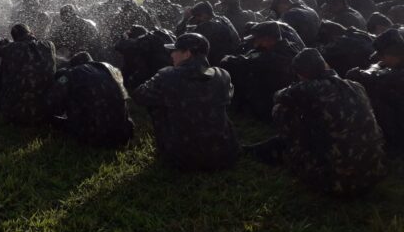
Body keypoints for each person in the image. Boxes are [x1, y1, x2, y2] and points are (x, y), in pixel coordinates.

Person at [246, 49, 386, 196]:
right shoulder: (356, 86)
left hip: (338, 182)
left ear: (302, 73)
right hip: (373, 173)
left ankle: (288, 152)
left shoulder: (309, 87)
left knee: (281, 109)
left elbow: (278, 96)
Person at [132, 33, 239, 171]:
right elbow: (227, 98)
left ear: (187, 54)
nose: (171, 55)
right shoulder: (223, 74)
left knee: (156, 103)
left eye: (175, 51)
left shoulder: (166, 75)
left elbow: (139, 96)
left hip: (183, 159)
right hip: (224, 153)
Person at [221, 21, 299, 122]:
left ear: (267, 38)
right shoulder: (290, 46)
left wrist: (228, 59)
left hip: (275, 100)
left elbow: (247, 61)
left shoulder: (273, 56)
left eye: (257, 39)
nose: (255, 42)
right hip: (284, 93)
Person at [52, 52, 134, 147]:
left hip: (93, 136)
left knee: (53, 119)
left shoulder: (72, 72)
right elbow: (125, 100)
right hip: (122, 134)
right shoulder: (111, 70)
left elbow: (53, 99)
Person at [347, 28, 404, 155]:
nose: (382, 60)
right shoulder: (396, 63)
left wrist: (362, 74)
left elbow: (380, 77)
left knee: (380, 100)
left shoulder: (396, 76)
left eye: (383, 57)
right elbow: (379, 66)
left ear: (392, 55)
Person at [0, 23, 58, 125]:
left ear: (14, 38)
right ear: (31, 33)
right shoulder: (49, 45)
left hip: (14, 114)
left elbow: (4, 74)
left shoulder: (8, 49)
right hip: (46, 113)